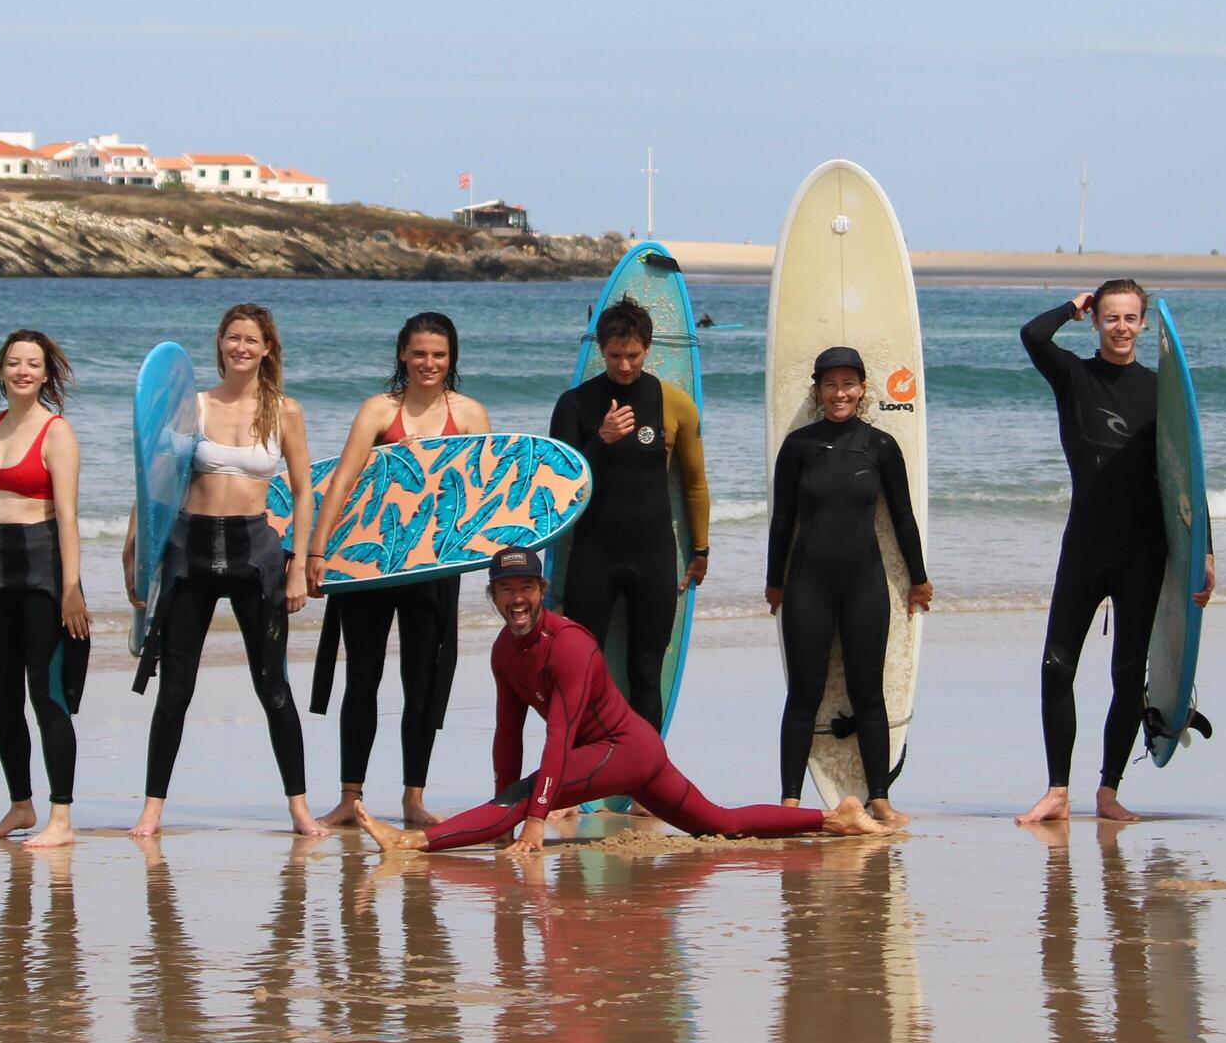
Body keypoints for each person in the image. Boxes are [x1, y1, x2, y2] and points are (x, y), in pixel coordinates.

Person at [357, 547, 891, 854]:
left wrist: (533, 818)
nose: (516, 598)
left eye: (526, 587)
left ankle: (415, 844)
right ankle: (833, 820)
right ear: (493, 596)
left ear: (542, 592)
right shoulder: (504, 651)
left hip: (623, 748)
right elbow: (507, 735)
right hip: (627, 755)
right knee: (720, 824)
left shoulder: (570, 645)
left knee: (525, 795)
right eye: (505, 590)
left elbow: (560, 736)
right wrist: (506, 821)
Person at [129, 303, 324, 838]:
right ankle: (152, 809)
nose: (241, 347)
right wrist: (137, 552)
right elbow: (155, 479)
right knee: (175, 691)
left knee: (274, 689)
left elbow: (305, 491)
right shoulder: (190, 406)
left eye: (251, 340)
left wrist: (298, 565)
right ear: (219, 344)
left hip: (255, 553)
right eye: (232, 338)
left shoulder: (284, 412)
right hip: (188, 552)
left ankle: (299, 807)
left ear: (267, 349)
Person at [1017, 281, 1206, 825]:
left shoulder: (1160, 391)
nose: (1121, 327)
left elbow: (1187, 476)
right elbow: (1032, 334)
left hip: (1145, 549)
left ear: (1144, 324)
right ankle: (1057, 790)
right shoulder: (1074, 376)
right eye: (1110, 317)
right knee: (1057, 668)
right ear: (1096, 321)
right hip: (1086, 543)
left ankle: (1108, 791)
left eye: (1130, 318)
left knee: (1128, 675)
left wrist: (1203, 552)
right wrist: (1071, 306)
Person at [313, 312, 488, 830]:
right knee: (362, 676)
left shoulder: (471, 415)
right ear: (402, 356)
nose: (428, 363)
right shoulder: (377, 411)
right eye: (419, 353)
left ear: (451, 358)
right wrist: (317, 555)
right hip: (368, 561)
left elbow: (483, 495)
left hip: (434, 565)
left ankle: (413, 798)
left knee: (422, 679)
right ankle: (351, 796)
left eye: (438, 354)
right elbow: (342, 481)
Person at [767, 345, 930, 822]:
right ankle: (790, 802)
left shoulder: (881, 447)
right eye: (831, 384)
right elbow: (783, 521)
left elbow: (902, 517)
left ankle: (879, 797)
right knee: (803, 693)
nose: (840, 393)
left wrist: (918, 579)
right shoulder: (798, 447)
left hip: (865, 585)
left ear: (862, 389)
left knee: (868, 691)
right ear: (816, 390)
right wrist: (774, 581)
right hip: (807, 586)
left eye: (849, 384)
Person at [0, 328, 90, 848]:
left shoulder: (57, 433)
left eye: (33, 363)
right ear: (1, 371)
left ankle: (61, 816)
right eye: (14, 363)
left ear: (47, 373)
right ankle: (20, 805)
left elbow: (70, 517)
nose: (23, 371)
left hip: (41, 569)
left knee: (45, 695)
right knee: (0, 699)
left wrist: (71, 588)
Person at [547, 296, 712, 737]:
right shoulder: (576, 405)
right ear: (601, 349)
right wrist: (601, 439)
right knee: (580, 670)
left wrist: (700, 549)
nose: (624, 365)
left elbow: (694, 483)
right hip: (593, 554)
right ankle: (576, 772)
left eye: (633, 355)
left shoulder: (674, 404)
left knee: (646, 670)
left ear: (649, 347)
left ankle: (645, 783)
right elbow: (558, 487)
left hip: (653, 554)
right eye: (615, 355)